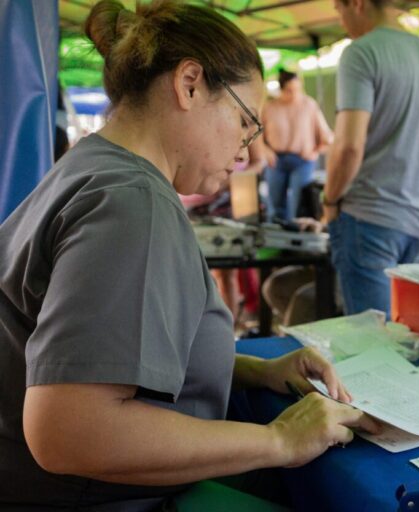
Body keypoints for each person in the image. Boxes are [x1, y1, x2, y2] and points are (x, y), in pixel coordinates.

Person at [0, 1, 378, 509]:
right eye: (246, 123)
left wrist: (251, 369)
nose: (245, 153)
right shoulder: (134, 202)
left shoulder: (88, 165)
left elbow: (102, 350)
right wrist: (280, 441)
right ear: (190, 84)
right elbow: (66, 429)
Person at [323, 0, 419, 316]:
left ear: (357, 4)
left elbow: (349, 147)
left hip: (369, 216)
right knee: (403, 336)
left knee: (373, 347)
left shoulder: (361, 53)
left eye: (339, 11)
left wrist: (329, 201)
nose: (341, 22)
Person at [255, 69, 333, 222]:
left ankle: (297, 237)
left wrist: (315, 151)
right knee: (276, 205)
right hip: (276, 160)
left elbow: (326, 136)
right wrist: (266, 151)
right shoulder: (269, 107)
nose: (294, 94)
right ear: (281, 89)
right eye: (290, 90)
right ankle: (277, 237)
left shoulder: (309, 105)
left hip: (303, 161)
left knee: (298, 204)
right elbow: (256, 134)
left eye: (297, 90)